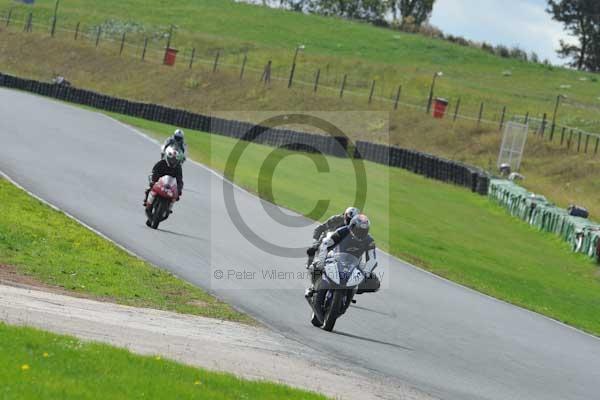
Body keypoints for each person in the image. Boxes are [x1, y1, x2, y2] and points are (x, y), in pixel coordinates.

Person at [306, 214, 380, 298]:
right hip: (335, 256)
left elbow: (372, 259)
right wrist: (322, 261)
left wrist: (366, 272)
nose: (361, 233)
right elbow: (326, 244)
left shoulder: (369, 240)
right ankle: (313, 287)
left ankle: (352, 290)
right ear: (352, 226)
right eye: (359, 230)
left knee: (375, 283)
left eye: (363, 231)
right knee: (315, 266)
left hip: (355, 262)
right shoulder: (342, 231)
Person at [144, 147, 184, 211]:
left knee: (175, 197)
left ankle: (168, 209)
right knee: (148, 189)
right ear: (168, 156)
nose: (173, 161)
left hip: (169, 186)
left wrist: (179, 190)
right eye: (172, 158)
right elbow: (154, 171)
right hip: (159, 182)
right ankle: (147, 201)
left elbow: (180, 180)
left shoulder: (178, 167)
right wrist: (154, 180)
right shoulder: (162, 162)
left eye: (175, 159)